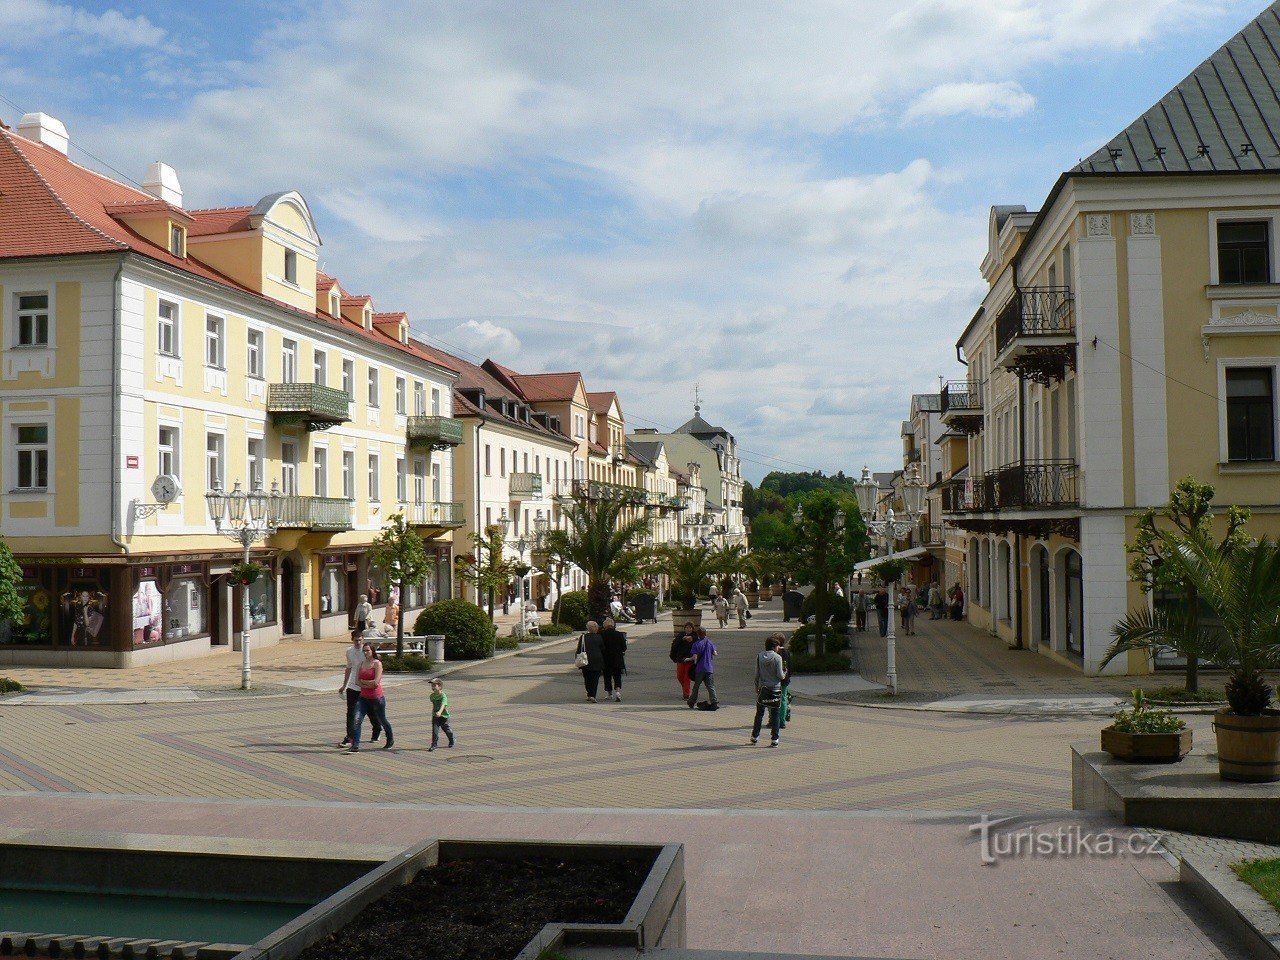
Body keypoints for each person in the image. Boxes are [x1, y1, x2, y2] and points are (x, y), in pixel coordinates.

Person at [348, 642, 393, 752]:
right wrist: (366, 683)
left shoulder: (377, 663)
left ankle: (390, 738)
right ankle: (355, 745)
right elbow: (356, 681)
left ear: (372, 651)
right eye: (364, 650)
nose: (365, 652)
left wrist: (365, 682)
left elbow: (376, 682)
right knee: (356, 720)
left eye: (367, 650)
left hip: (377, 698)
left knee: (382, 720)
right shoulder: (361, 664)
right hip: (363, 698)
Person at [340, 631, 382, 747]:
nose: (358, 642)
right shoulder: (349, 651)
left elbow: (375, 666)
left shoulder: (367, 652)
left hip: (366, 686)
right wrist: (344, 685)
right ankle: (350, 737)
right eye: (356, 640)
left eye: (360, 640)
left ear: (363, 639)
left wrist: (373, 683)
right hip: (353, 686)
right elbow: (349, 668)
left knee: (370, 711)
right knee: (351, 713)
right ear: (352, 640)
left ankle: (377, 729)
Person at [751, 635, 788, 747]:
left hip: (763, 688)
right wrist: (785, 672)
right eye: (777, 646)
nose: (778, 648)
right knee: (775, 713)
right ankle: (774, 739)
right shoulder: (777, 658)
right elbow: (780, 675)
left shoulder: (759, 656)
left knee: (759, 714)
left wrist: (756, 687)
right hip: (775, 688)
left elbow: (757, 674)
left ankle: (754, 736)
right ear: (774, 646)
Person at [686, 627, 719, 709]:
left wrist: (687, 659)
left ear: (698, 634)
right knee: (710, 686)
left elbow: (694, 657)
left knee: (696, 686)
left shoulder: (696, 644)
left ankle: (691, 702)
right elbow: (715, 653)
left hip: (700, 668)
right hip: (709, 668)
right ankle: (714, 702)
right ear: (705, 633)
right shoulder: (710, 642)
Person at [577, 621, 605, 702]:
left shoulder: (583, 637)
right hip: (597, 660)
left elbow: (579, 649)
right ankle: (593, 695)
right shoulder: (599, 637)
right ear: (596, 628)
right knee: (595, 678)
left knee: (587, 678)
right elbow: (603, 648)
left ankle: (589, 694)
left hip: (585, 660)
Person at [600, 617, 628, 702]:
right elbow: (624, 647)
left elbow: (600, 647)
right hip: (617, 658)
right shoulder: (619, 634)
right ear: (613, 625)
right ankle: (618, 691)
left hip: (606, 659)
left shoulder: (602, 635)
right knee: (617, 676)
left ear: (604, 626)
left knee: (607, 676)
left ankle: (609, 693)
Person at [428, 678, 455, 751]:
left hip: (444, 716)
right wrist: (436, 713)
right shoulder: (432, 696)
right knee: (435, 731)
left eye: (434, 685)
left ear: (440, 686)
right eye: (432, 686)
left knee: (447, 730)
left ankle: (451, 739)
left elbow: (443, 704)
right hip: (435, 716)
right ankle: (434, 744)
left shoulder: (443, 696)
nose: (433, 687)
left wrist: (440, 712)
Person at [670, 623, 696, 699]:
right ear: (684, 628)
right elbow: (674, 645)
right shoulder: (680, 636)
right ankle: (686, 688)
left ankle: (686, 694)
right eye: (687, 627)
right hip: (681, 659)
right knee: (679, 676)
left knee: (687, 677)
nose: (688, 629)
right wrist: (682, 639)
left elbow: (699, 644)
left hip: (690, 660)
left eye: (690, 628)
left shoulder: (695, 636)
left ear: (692, 629)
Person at [777, 635, 793, 730]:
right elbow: (790, 666)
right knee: (783, 699)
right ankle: (782, 721)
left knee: (774, 700)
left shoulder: (776, 654)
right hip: (785, 679)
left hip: (776, 680)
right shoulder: (787, 652)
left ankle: (774, 720)